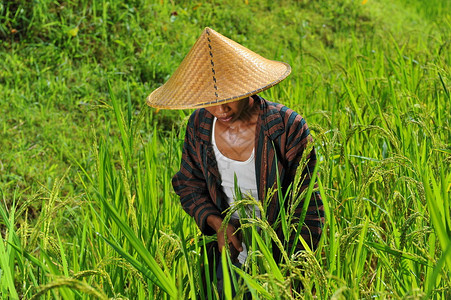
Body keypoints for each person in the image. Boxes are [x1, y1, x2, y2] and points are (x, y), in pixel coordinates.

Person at [146, 27, 324, 296]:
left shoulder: (286, 127)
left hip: (281, 253)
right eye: (209, 101)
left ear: (247, 87)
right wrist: (217, 224)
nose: (221, 110)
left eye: (229, 98)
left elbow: (308, 205)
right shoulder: (200, 125)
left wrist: (296, 271)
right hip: (230, 249)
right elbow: (188, 183)